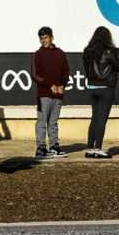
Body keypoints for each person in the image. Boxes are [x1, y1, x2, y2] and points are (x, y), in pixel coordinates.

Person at [82, 26, 119, 159]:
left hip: (92, 87)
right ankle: (98, 148)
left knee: (94, 118)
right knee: (102, 119)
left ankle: (89, 148)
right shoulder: (110, 51)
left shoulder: (87, 51)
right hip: (106, 88)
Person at [31, 26, 69, 159]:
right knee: (42, 121)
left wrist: (62, 85)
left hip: (58, 94)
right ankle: (41, 148)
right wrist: (50, 85)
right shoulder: (37, 54)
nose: (44, 41)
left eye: (46, 38)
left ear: (51, 37)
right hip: (44, 95)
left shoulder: (61, 53)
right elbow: (35, 75)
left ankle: (54, 147)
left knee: (53, 122)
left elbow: (66, 72)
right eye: (41, 39)